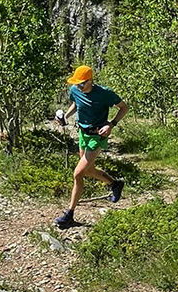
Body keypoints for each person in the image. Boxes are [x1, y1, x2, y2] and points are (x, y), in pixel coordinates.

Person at [54, 65, 129, 226]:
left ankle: (69, 214)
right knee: (87, 170)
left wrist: (111, 124)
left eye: (82, 84)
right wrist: (65, 117)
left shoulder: (104, 93)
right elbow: (76, 104)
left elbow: (124, 107)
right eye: (77, 84)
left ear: (90, 81)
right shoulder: (75, 90)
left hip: (98, 136)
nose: (79, 87)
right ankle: (115, 184)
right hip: (83, 133)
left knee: (78, 174)